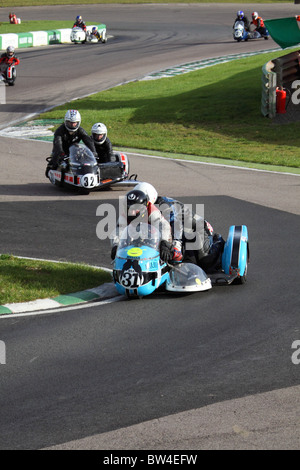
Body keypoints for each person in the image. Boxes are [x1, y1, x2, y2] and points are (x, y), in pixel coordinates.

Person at [110, 183, 180, 264]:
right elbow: (118, 231)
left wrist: (165, 243)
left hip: (155, 239)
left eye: (135, 209)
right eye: (129, 208)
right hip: (136, 240)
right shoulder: (124, 215)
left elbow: (164, 226)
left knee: (175, 255)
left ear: (143, 208)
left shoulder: (152, 211)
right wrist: (116, 246)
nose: (132, 212)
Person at [45, 109, 96, 177]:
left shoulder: (80, 130)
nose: (72, 125)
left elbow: (88, 141)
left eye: (74, 123)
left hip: (74, 151)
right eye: (70, 122)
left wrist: (93, 151)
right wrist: (61, 153)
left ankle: (83, 173)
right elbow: (57, 143)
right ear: (66, 122)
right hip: (62, 151)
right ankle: (51, 167)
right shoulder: (60, 131)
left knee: (85, 157)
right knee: (55, 161)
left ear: (78, 122)